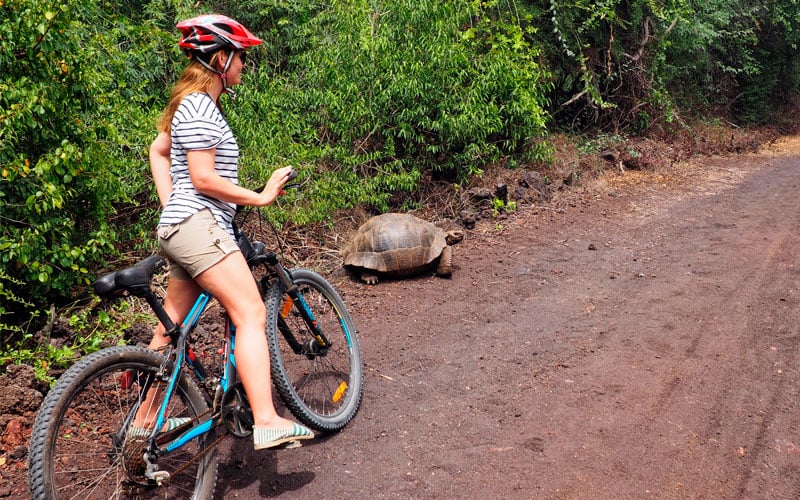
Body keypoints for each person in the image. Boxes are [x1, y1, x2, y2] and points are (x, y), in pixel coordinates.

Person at [132, 14, 313, 450]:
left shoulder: (190, 106)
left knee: (170, 327)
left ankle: (141, 426)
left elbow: (158, 153)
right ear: (219, 59)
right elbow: (203, 179)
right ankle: (267, 420)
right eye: (240, 58)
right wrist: (262, 194)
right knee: (250, 313)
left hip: (183, 226)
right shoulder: (198, 106)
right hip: (198, 226)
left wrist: (171, 205)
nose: (243, 66)